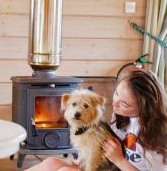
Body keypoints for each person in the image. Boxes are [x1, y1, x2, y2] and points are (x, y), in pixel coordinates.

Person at [26, 69, 167, 171]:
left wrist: (119, 159)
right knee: (52, 163)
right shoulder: (123, 117)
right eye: (117, 93)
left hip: (118, 166)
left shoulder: (157, 138)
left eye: (124, 103)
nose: (115, 103)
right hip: (109, 166)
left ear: (144, 108)